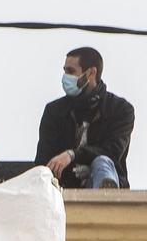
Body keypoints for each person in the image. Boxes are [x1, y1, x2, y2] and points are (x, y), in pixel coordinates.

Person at [35, 46, 133, 189]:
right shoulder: (54, 111)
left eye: (71, 71)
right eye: (65, 70)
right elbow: (43, 160)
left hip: (102, 176)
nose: (65, 77)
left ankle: (106, 196)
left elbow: (113, 151)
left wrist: (72, 155)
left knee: (102, 162)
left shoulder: (120, 109)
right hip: (63, 187)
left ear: (91, 73)